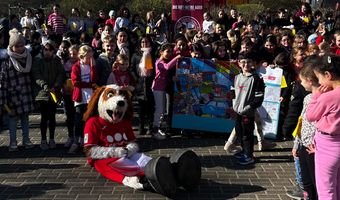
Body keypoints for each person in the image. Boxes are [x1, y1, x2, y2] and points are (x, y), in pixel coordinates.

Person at [306, 55, 340, 200]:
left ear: (328, 75)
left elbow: (310, 115)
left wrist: (316, 95)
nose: (319, 82)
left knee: (326, 189)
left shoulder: (329, 96)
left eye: (319, 78)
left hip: (328, 145)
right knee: (338, 186)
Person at [0, 29, 35, 151]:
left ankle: (26, 139)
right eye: (16, 46)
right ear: (11, 46)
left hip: (26, 92)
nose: (20, 48)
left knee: (25, 118)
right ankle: (13, 141)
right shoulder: (7, 61)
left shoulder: (29, 57)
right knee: (13, 119)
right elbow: (3, 82)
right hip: (12, 95)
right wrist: (3, 100)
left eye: (21, 45)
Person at [32, 40, 65, 150]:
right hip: (42, 93)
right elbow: (36, 75)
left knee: (52, 117)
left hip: (54, 92)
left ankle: (51, 138)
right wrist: (45, 86)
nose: (48, 52)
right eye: (46, 50)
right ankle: (43, 139)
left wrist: (56, 85)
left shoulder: (57, 60)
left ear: (53, 51)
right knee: (44, 117)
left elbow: (61, 73)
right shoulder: (37, 60)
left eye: (50, 50)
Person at [232, 52, 265, 165]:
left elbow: (259, 99)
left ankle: (249, 155)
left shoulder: (257, 78)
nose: (246, 64)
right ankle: (244, 150)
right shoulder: (237, 77)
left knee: (247, 134)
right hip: (238, 111)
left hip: (248, 112)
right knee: (239, 131)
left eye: (249, 62)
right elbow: (233, 92)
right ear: (239, 63)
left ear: (253, 63)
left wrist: (248, 108)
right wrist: (234, 105)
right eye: (243, 62)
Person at [297, 60, 319, 200]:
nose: (301, 84)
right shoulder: (307, 98)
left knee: (316, 181)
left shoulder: (322, 99)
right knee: (306, 181)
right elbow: (301, 121)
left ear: (310, 81)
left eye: (302, 81)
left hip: (314, 147)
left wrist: (318, 145)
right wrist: (296, 143)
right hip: (303, 144)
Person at [70, 45, 97, 154]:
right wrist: (89, 84)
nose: (90, 60)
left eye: (91, 57)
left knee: (88, 120)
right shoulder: (76, 66)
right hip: (80, 98)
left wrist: (93, 67)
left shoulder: (91, 66)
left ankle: (86, 142)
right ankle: (76, 141)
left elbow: (94, 80)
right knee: (78, 120)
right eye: (88, 57)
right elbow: (75, 82)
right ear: (82, 56)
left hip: (90, 97)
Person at [152, 43, 181, 140]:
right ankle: (155, 129)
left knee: (162, 109)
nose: (169, 53)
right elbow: (167, 67)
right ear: (161, 52)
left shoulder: (162, 61)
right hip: (157, 88)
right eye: (167, 51)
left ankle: (158, 127)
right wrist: (176, 58)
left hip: (162, 88)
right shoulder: (159, 62)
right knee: (159, 109)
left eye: (170, 52)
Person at [131, 35, 156, 135]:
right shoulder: (136, 55)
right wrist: (136, 79)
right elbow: (132, 68)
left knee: (150, 107)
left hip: (150, 83)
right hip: (140, 84)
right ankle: (141, 126)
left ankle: (150, 126)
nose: (144, 44)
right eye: (142, 42)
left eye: (146, 42)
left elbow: (156, 69)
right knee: (141, 108)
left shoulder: (152, 54)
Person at [62, 45, 79, 148]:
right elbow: (62, 76)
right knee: (69, 117)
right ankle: (70, 136)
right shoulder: (65, 64)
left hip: (77, 94)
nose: (72, 56)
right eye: (70, 54)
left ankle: (78, 137)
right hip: (67, 93)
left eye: (74, 54)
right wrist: (63, 85)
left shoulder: (80, 64)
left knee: (78, 116)